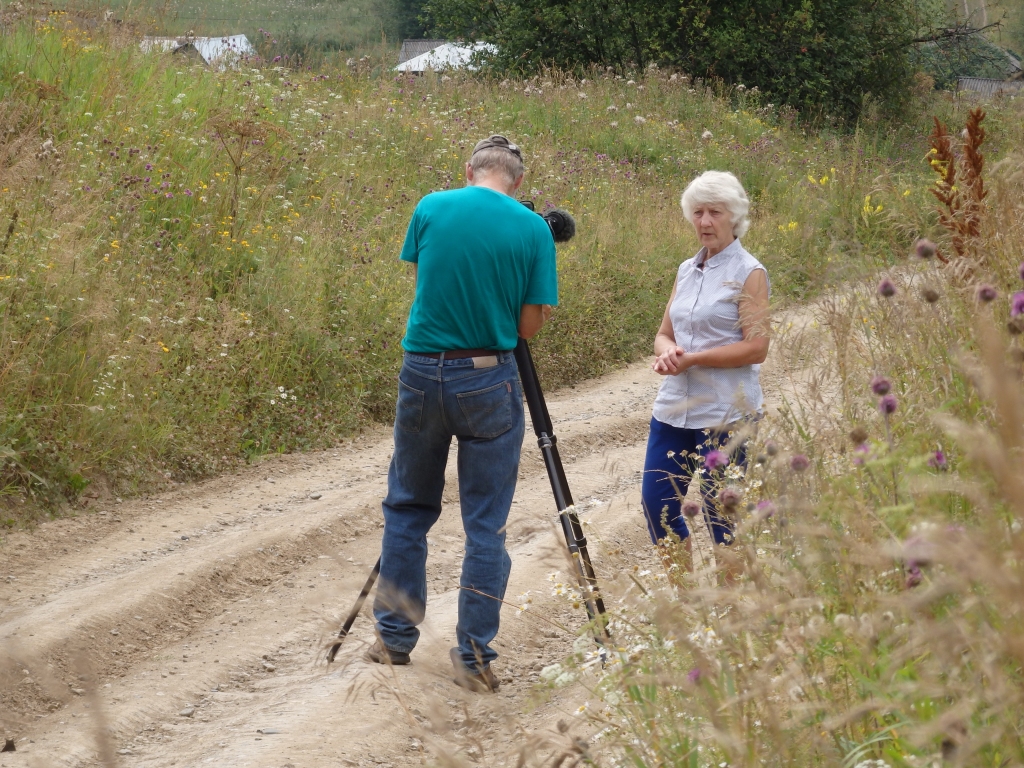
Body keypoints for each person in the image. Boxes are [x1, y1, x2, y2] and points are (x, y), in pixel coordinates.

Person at [367, 135, 558, 693]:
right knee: (485, 524)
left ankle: (393, 640)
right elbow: (526, 328)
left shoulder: (430, 206)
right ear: (517, 181)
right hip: (488, 377)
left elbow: (429, 281)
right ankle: (473, 660)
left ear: (469, 169)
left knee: (407, 505)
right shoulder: (532, 230)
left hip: (423, 370)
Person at [642, 170, 770, 576]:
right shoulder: (685, 269)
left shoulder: (750, 272)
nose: (705, 222)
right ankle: (686, 603)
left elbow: (757, 346)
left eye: (715, 212)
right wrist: (669, 354)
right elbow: (664, 335)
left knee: (722, 515)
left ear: (734, 217)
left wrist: (694, 359)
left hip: (726, 414)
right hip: (673, 408)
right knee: (657, 504)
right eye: (697, 212)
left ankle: (731, 616)